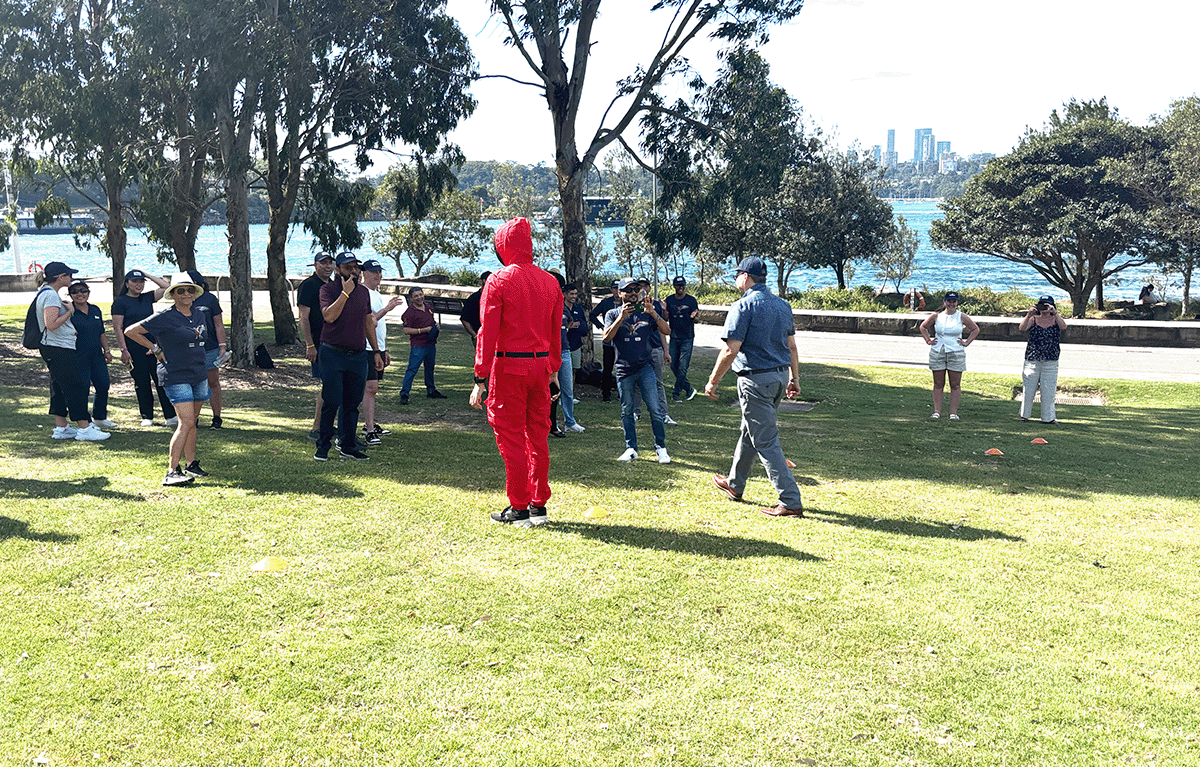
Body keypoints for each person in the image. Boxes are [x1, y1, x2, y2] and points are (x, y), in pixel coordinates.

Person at [470, 217, 564, 526]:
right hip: (540, 367)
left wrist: (480, 378)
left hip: (509, 365)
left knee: (511, 437)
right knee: (538, 435)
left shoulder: (498, 280)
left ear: (503, 246)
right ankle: (538, 502)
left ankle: (519, 506)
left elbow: (488, 332)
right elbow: (554, 333)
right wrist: (553, 371)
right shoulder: (551, 282)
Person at [704, 257, 803, 517]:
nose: (736, 279)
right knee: (750, 430)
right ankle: (735, 484)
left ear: (745, 277)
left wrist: (713, 381)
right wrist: (795, 379)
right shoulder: (783, 306)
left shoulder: (742, 306)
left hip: (755, 380)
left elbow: (730, 350)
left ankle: (790, 500)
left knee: (766, 440)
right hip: (779, 378)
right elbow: (792, 346)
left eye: (737, 275)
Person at [125, 273, 213, 485]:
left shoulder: (199, 314)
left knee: (193, 423)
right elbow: (131, 331)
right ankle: (172, 472)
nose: (185, 294)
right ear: (172, 294)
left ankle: (191, 464)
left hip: (198, 373)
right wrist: (154, 348)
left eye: (189, 290)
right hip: (175, 374)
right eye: (180, 291)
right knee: (186, 421)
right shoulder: (164, 316)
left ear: (195, 293)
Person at [314, 251, 384, 461]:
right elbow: (329, 316)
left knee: (352, 403)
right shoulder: (328, 289)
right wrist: (345, 293)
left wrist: (376, 351)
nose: (353, 271)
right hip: (332, 353)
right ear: (338, 270)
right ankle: (323, 446)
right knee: (332, 400)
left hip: (358, 355)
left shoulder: (363, 293)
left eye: (356, 267)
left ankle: (348, 446)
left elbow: (367, 322)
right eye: (348, 267)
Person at [34, 263, 110, 442]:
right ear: (60, 277)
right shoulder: (51, 295)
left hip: (54, 347)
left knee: (59, 387)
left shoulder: (45, 292)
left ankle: (61, 427)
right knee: (74, 387)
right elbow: (51, 324)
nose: (71, 279)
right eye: (69, 275)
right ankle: (84, 428)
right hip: (58, 348)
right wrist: (70, 312)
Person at [603, 277, 671, 464]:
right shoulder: (612, 313)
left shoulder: (647, 311)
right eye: (628, 290)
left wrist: (654, 314)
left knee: (655, 409)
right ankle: (631, 448)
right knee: (627, 410)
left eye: (636, 289)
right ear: (620, 293)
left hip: (645, 367)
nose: (633, 293)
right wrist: (621, 318)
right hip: (624, 369)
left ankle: (661, 448)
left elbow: (666, 331)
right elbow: (606, 339)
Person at [111, 269, 174, 427]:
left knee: (161, 380)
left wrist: (147, 275)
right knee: (142, 382)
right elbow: (118, 328)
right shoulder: (120, 302)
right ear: (127, 284)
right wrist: (123, 350)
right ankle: (147, 416)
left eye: (141, 282)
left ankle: (170, 415)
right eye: (134, 282)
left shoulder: (147, 297)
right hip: (133, 348)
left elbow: (168, 289)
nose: (138, 285)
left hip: (152, 346)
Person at [919, 291, 980, 421]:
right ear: (945, 302)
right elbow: (923, 327)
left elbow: (975, 329)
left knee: (955, 384)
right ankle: (937, 411)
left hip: (956, 352)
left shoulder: (961, 316)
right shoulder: (937, 316)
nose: (952, 304)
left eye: (954, 301)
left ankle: (953, 413)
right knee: (938, 383)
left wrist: (966, 342)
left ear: (957, 303)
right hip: (938, 351)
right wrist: (928, 340)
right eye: (949, 301)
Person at [360, 259, 403, 444]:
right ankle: (369, 429)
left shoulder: (376, 294)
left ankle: (369, 424)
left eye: (379, 271)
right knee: (370, 388)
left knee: (372, 389)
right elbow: (370, 321)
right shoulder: (362, 294)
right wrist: (387, 308)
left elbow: (380, 327)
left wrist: (384, 349)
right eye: (373, 272)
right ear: (364, 273)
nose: (378, 275)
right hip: (367, 348)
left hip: (377, 348)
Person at [297, 252, 335, 441]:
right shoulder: (309, 286)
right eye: (323, 263)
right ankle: (316, 427)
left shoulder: (332, 286)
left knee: (333, 385)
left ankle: (328, 424)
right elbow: (303, 318)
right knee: (327, 385)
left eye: (330, 263)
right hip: (319, 344)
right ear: (315, 265)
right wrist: (310, 344)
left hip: (335, 341)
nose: (327, 266)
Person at [68, 279, 116, 429]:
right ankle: (85, 420)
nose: (79, 294)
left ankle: (100, 416)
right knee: (82, 388)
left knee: (103, 384)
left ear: (88, 292)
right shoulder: (69, 312)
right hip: (78, 355)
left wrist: (107, 350)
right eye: (75, 291)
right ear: (70, 295)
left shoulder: (95, 310)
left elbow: (101, 331)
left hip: (97, 355)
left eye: (83, 290)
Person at [186, 270, 228, 429]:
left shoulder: (209, 299)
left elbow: (218, 324)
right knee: (193, 383)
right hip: (189, 349)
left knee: (213, 382)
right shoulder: (182, 299)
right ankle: (193, 418)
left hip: (209, 348)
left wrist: (222, 345)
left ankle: (217, 417)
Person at [1018, 295, 1068, 424]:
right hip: (1032, 358)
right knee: (1029, 388)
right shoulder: (1033, 319)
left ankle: (1048, 417)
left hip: (1051, 359)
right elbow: (1022, 328)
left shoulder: (1056, 319)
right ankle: (1024, 415)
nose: (1044, 308)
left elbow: (1064, 327)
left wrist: (1055, 313)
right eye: (1042, 305)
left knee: (1049, 389)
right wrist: (1028, 315)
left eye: (1047, 305)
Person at [632, 277, 675, 425]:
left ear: (650, 288)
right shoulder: (631, 306)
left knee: (657, 382)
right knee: (637, 382)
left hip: (654, 348)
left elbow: (662, 330)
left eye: (646, 286)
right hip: (638, 350)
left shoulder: (655, 305)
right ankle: (635, 412)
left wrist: (665, 350)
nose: (643, 289)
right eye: (640, 286)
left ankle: (663, 414)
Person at [399, 286, 447, 404]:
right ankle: (404, 393)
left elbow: (431, 321)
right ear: (411, 298)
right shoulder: (409, 313)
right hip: (418, 345)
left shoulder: (428, 307)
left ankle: (431, 390)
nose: (419, 298)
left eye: (420, 295)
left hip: (431, 343)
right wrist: (423, 330)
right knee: (412, 369)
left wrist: (435, 326)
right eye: (416, 296)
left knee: (430, 368)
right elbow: (406, 330)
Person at [665, 275, 699, 402]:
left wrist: (693, 317)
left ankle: (676, 392)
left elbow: (696, 318)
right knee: (673, 365)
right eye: (678, 285)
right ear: (674, 287)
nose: (681, 288)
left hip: (687, 337)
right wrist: (664, 310)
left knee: (683, 367)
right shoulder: (669, 300)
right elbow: (666, 318)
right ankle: (689, 389)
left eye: (683, 285)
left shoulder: (691, 300)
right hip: (674, 336)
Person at [589, 280, 620, 401]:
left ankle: (621, 392)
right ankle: (606, 394)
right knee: (608, 367)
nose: (617, 291)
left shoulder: (626, 303)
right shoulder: (606, 302)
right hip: (608, 341)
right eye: (614, 288)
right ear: (611, 289)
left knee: (621, 367)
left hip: (622, 341)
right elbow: (592, 315)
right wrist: (601, 327)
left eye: (619, 288)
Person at [459, 271, 491, 343]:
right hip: (479, 337)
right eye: (487, 280)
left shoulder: (496, 298)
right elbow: (464, 319)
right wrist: (475, 335)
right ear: (480, 282)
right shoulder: (473, 299)